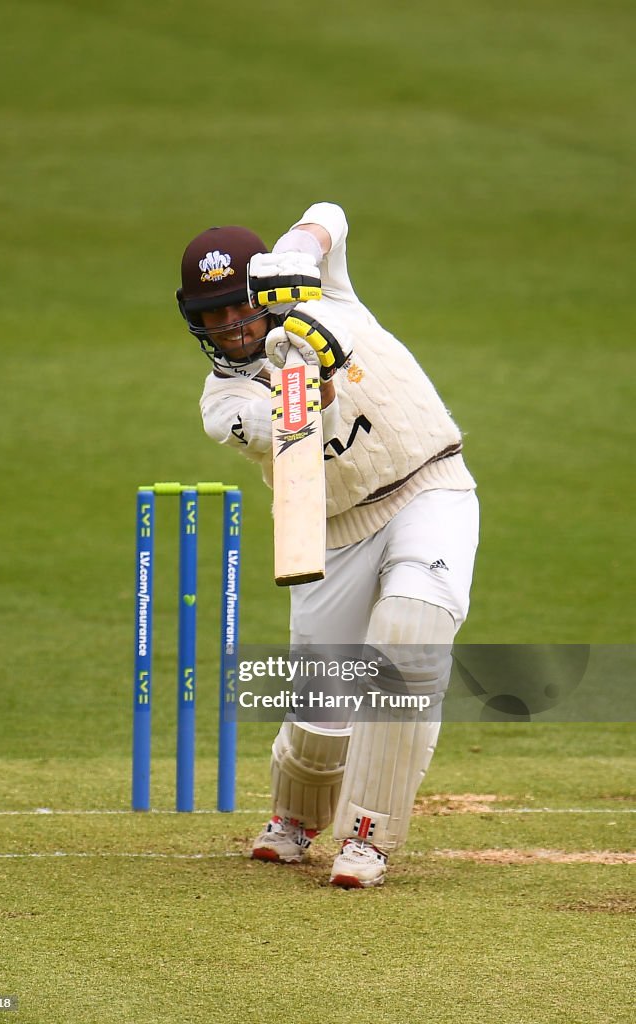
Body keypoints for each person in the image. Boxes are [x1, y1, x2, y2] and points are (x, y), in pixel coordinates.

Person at [177, 203, 479, 888]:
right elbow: (282, 418)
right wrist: (309, 368)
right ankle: (295, 818)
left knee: (408, 639)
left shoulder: (321, 289)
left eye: (238, 309)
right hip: (332, 531)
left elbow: (328, 215)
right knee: (322, 702)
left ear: (262, 291)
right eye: (213, 318)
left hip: (429, 487)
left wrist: (298, 249)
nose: (230, 327)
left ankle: (369, 835)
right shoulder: (223, 400)